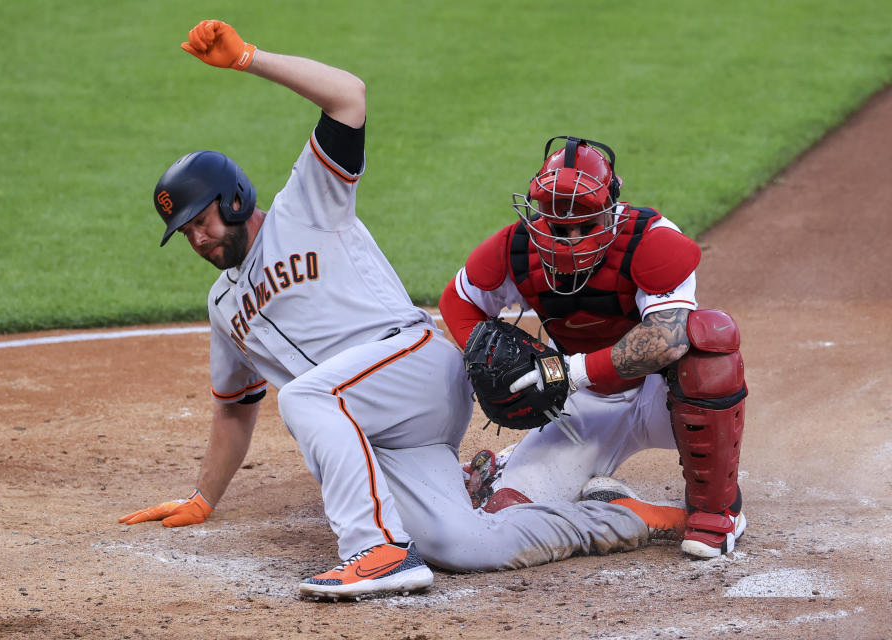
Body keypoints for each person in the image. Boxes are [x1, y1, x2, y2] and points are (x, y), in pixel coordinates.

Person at [120, 20, 687, 601]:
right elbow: (235, 412)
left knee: (306, 395)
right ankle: (622, 517)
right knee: (463, 546)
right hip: (380, 434)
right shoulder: (223, 307)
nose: (197, 238)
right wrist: (203, 497)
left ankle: (376, 550)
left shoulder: (306, 207)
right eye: (185, 232)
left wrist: (249, 59)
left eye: (202, 221)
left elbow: (348, 96)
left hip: (413, 372)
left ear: (234, 199)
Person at [440, 136, 748, 559]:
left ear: (611, 209)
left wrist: (572, 373)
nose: (570, 236)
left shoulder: (649, 239)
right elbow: (459, 302)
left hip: (663, 401)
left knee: (709, 340)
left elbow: (666, 337)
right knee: (508, 513)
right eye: (558, 224)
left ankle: (716, 512)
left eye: (585, 222)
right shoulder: (516, 248)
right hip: (581, 409)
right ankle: (641, 514)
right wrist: (493, 361)